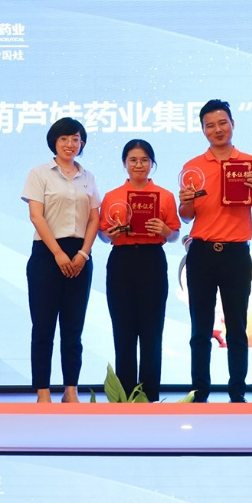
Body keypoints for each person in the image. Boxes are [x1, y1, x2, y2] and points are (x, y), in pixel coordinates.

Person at [178, 98, 252, 402]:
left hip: (236, 255)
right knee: (200, 330)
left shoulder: (251, 163)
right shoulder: (192, 167)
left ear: (233, 124)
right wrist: (186, 202)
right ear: (203, 130)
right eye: (210, 125)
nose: (217, 130)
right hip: (202, 254)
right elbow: (186, 217)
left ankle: (237, 394)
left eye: (222, 123)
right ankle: (199, 394)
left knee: (237, 328)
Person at [21, 117, 101, 403]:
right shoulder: (40, 173)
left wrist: (83, 253)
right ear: (54, 142)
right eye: (64, 139)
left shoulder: (88, 177)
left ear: (82, 143)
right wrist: (57, 253)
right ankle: (43, 392)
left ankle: (71, 391)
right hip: (46, 254)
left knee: (73, 329)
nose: (70, 144)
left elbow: (94, 218)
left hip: (80, 255)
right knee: (43, 328)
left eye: (76, 139)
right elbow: (36, 216)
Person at [98, 140, 181, 401]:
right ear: (124, 163)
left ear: (152, 164)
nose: (139, 165)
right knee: (123, 331)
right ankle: (124, 397)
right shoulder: (112, 196)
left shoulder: (164, 196)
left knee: (151, 332)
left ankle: (149, 396)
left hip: (152, 261)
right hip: (121, 262)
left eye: (144, 160)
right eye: (133, 160)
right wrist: (108, 235)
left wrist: (165, 231)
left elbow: (175, 234)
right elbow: (101, 233)